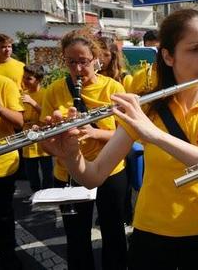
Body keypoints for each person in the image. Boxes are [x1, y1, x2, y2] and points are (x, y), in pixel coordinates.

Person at [41, 9, 198, 270]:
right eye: (195, 49)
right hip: (150, 232)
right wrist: (70, 155)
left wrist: (154, 135)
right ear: (168, 56)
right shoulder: (146, 105)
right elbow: (94, 175)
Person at [40, 29, 128, 270]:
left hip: (110, 171)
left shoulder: (113, 88)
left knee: (114, 232)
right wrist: (61, 147)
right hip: (68, 173)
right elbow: (44, 142)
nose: (78, 69)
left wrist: (93, 132)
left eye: (83, 62)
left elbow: (127, 134)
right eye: (71, 63)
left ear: (96, 58)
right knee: (76, 237)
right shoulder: (55, 90)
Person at [0, 75, 24, 270]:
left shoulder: (4, 83)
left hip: (2, 162)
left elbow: (19, 122)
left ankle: (8, 256)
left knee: (2, 214)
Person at [21, 65, 53, 193]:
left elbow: (48, 114)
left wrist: (33, 103)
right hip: (28, 135)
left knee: (47, 169)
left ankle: (48, 193)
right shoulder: (24, 94)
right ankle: (35, 192)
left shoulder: (45, 93)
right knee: (31, 170)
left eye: (29, 78)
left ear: (38, 79)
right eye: (24, 78)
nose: (24, 81)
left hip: (43, 136)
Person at [127, 30, 159, 94]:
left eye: (157, 49)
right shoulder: (138, 76)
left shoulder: (174, 73)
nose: (155, 53)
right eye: (150, 50)